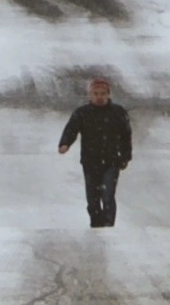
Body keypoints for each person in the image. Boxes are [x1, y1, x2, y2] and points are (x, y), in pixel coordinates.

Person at [55, 72, 134, 229]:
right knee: (92, 199)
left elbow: (126, 136)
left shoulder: (118, 113)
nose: (99, 97)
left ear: (108, 95)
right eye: (96, 94)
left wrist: (125, 156)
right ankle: (96, 223)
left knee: (108, 195)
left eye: (103, 94)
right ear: (90, 95)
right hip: (90, 161)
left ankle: (108, 224)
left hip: (112, 161)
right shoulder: (83, 113)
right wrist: (65, 144)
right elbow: (71, 129)